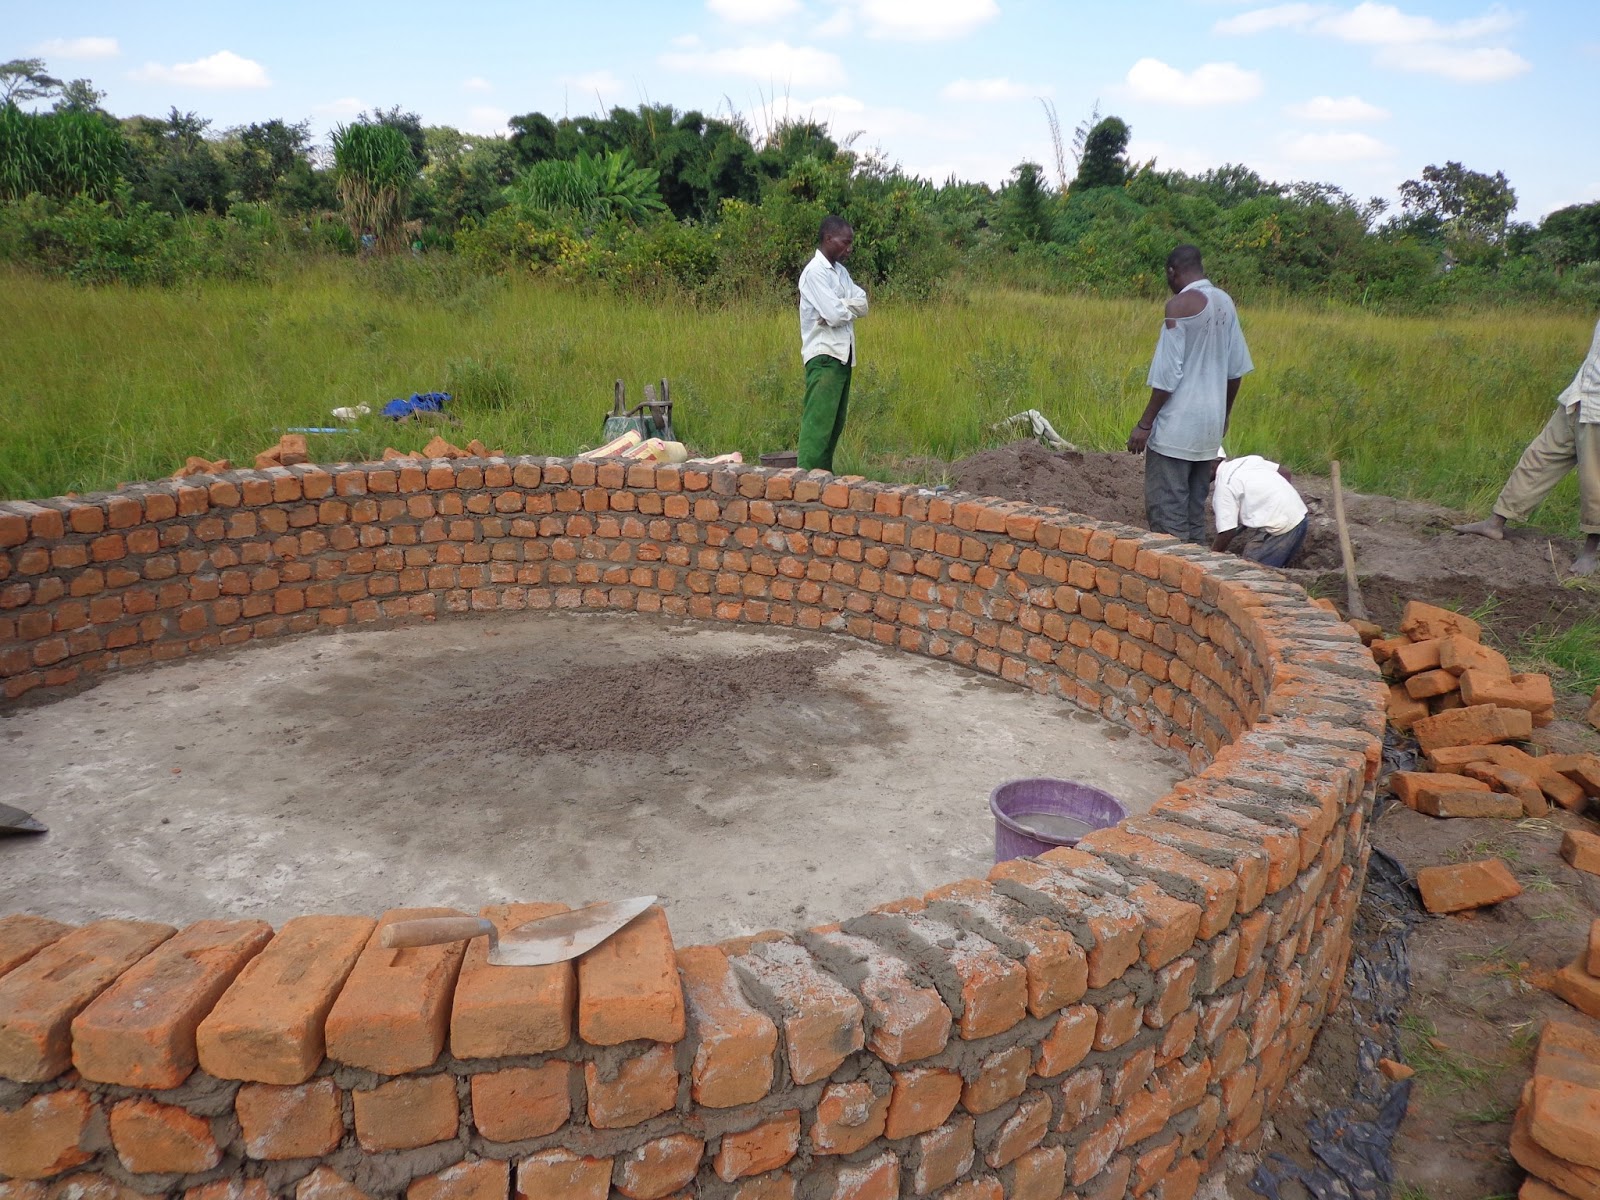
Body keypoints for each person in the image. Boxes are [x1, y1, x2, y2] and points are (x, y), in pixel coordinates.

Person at [1452, 315, 1600, 575]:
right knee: (1538, 458)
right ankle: (1495, 522)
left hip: (1598, 411)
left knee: (1595, 484)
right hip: (1578, 395)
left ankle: (1591, 553)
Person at [1127, 245, 1253, 543]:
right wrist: (1224, 415)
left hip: (1176, 432)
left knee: (1167, 519)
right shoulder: (1225, 302)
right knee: (1193, 516)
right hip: (1209, 431)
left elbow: (1168, 376)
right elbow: (1234, 372)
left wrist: (1145, 424)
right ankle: (1199, 582)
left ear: (1172, 271)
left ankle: (1175, 585)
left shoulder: (1179, 306)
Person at [797, 215, 868, 472]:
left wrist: (841, 307)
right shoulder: (815, 273)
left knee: (834, 425)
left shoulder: (840, 273)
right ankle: (805, 481)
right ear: (828, 239)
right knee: (818, 424)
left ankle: (823, 480)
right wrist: (841, 309)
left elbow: (863, 304)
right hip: (824, 356)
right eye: (844, 242)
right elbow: (835, 315)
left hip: (843, 356)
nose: (848, 248)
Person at [1211, 454, 1309, 567]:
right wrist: (1278, 501)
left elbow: (1227, 531)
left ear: (1211, 466)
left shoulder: (1224, 487)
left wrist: (1211, 559)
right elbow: (1284, 472)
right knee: (1271, 571)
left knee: (1251, 571)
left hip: (1281, 528)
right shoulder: (1247, 461)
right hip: (1300, 515)